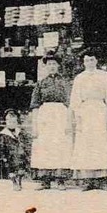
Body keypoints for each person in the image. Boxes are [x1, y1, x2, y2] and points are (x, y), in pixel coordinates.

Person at [69, 50, 107, 190]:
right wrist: (78, 118)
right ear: (83, 63)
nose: (89, 63)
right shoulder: (79, 78)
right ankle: (88, 180)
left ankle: (102, 179)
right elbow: (75, 99)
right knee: (86, 145)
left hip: (99, 110)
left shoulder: (104, 75)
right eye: (87, 60)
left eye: (92, 60)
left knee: (101, 143)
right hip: (85, 112)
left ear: (96, 61)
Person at [28, 52, 73, 189]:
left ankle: (60, 180)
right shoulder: (41, 83)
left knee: (60, 146)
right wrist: (35, 126)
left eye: (54, 64)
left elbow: (71, 104)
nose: (52, 66)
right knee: (45, 146)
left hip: (61, 115)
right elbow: (35, 105)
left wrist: (69, 122)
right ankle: (45, 180)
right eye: (49, 64)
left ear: (58, 65)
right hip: (45, 117)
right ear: (45, 67)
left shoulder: (65, 82)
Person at [0, 109, 30, 191]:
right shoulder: (3, 135)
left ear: (17, 122)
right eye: (9, 122)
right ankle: (14, 182)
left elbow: (25, 142)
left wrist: (26, 151)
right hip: (10, 155)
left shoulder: (20, 132)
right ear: (6, 122)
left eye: (14, 122)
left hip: (20, 155)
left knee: (21, 169)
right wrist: (4, 156)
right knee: (11, 171)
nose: (12, 124)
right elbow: (1, 147)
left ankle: (19, 181)